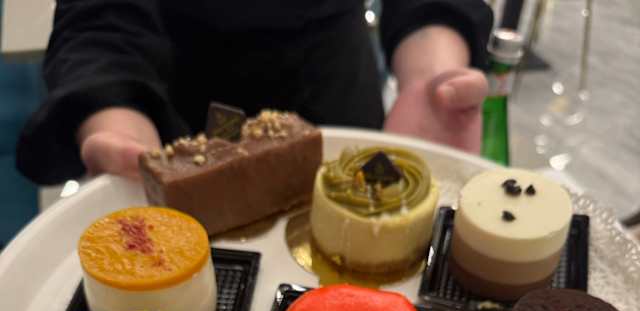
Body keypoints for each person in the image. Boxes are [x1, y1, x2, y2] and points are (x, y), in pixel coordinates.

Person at [17, 0, 492, 185]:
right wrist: (115, 111)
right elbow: (101, 15)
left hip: (332, 80)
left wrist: (434, 76)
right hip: (188, 92)